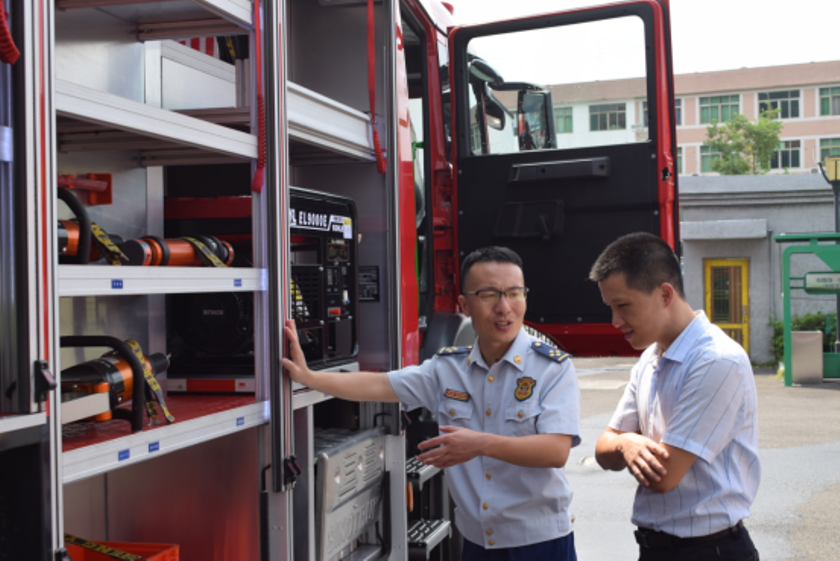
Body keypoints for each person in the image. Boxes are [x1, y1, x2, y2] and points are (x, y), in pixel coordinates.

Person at [282, 246, 580, 561]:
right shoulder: (447, 369)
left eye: (514, 293)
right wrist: (309, 377)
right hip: (478, 544)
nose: (504, 307)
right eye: (489, 294)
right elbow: (379, 384)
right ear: (464, 305)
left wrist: (479, 445)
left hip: (541, 544)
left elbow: (555, 451)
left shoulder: (552, 368)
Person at [590, 232, 760, 561]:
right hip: (656, 548)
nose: (615, 321)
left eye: (623, 306)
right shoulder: (650, 359)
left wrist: (623, 442)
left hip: (710, 551)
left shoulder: (717, 360)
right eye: (610, 307)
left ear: (665, 293)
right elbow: (603, 451)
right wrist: (626, 443)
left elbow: (663, 476)